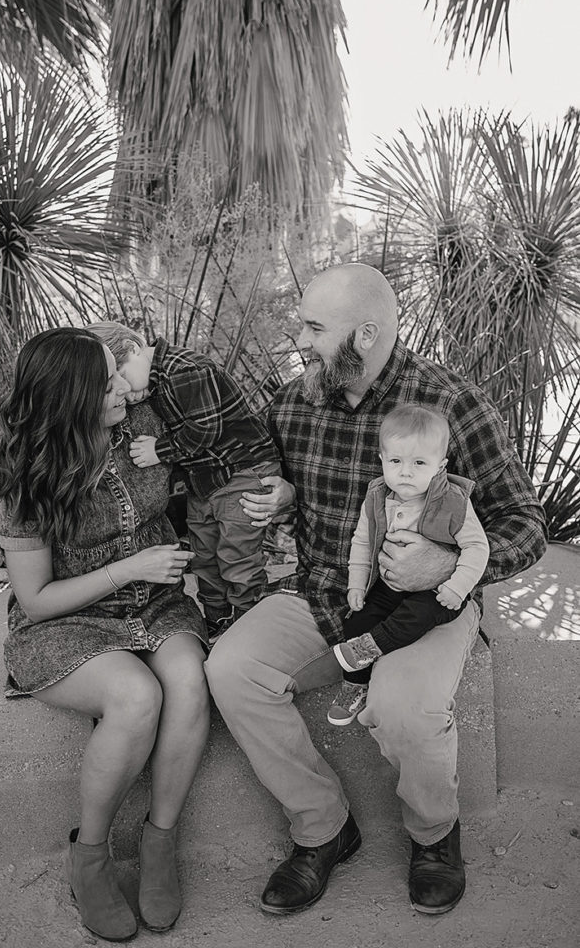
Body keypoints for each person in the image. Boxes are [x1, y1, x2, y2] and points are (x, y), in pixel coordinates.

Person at [205, 264, 547, 917]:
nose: (297, 337)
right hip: (325, 589)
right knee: (232, 669)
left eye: (312, 326)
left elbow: (523, 523)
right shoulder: (294, 401)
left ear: (363, 334)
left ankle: (433, 836)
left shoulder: (450, 404)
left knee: (402, 709)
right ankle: (324, 829)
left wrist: (442, 566)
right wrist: (277, 490)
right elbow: (254, 467)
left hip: (424, 602)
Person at [0, 327, 209, 942]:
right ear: (69, 397)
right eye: (107, 380)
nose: (124, 387)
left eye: (120, 372)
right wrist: (130, 567)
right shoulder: (25, 476)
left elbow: (227, 428)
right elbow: (35, 601)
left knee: (189, 682)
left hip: (158, 604)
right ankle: (90, 856)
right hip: (66, 621)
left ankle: (159, 841)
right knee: (136, 696)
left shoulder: (140, 417)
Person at [87, 321, 281, 642]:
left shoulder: (186, 370)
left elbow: (206, 430)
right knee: (203, 554)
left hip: (238, 473)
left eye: (121, 373)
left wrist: (158, 450)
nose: (123, 389)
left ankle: (250, 622)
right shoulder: (154, 384)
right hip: (203, 480)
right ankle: (217, 617)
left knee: (237, 553)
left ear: (134, 349)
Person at [327, 403, 490, 726]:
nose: (405, 472)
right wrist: (356, 584)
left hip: (437, 591)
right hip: (389, 584)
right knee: (357, 620)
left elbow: (477, 547)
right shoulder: (377, 497)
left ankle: (371, 647)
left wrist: (457, 587)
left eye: (419, 463)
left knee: (416, 615)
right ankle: (355, 685)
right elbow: (361, 542)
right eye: (396, 461)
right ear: (382, 461)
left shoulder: (453, 502)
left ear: (440, 466)